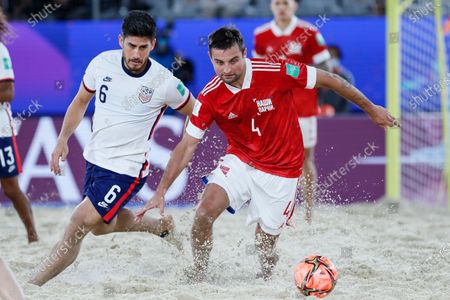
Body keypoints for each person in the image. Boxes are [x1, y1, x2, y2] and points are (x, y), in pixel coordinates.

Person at [136, 26, 397, 281]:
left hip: (283, 170)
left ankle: (266, 276)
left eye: (233, 61)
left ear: (245, 53)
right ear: (210, 59)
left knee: (265, 240)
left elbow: (331, 80)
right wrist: (160, 191)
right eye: (219, 63)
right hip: (240, 160)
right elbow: (186, 146)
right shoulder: (209, 96)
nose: (227, 70)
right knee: (203, 214)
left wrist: (371, 108)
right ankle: (200, 274)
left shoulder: (276, 71)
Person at [29, 10, 195, 286]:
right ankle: (158, 226)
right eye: (131, 45)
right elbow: (80, 101)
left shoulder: (165, 82)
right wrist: (62, 140)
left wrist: (187, 146)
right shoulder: (101, 64)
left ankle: (32, 286)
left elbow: (196, 113)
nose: (136, 54)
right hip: (95, 161)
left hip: (127, 169)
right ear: (121, 40)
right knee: (100, 227)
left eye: (143, 47)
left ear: (153, 44)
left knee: (79, 222)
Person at [253, 0, 331, 222]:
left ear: (295, 6)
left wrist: (299, 77)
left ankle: (308, 212)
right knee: (271, 158)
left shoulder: (309, 32)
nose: (281, 7)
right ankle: (277, 208)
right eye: (277, 3)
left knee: (305, 159)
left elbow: (326, 68)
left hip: (303, 107)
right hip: (273, 107)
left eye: (285, 2)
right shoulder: (261, 34)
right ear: (271, 6)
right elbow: (258, 72)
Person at [0, 7, 39, 243]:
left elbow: (7, 91)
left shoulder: (0, 50)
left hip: (1, 130)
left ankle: (33, 235)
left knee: (11, 188)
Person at [319, 45, 355, 114]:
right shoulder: (319, 76)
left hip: (339, 118)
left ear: (338, 58)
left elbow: (347, 103)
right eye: (327, 57)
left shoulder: (346, 77)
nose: (329, 59)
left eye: (332, 56)